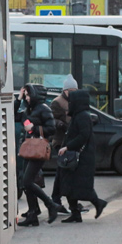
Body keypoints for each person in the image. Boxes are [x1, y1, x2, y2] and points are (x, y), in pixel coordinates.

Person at [54, 89, 108, 222]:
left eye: (71, 101)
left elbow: (83, 136)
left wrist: (68, 146)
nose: (69, 104)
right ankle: (76, 213)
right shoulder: (78, 115)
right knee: (69, 186)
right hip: (76, 157)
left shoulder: (82, 116)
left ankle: (97, 203)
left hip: (81, 158)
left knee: (80, 186)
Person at [15, 84, 66, 226]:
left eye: (28, 95)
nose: (27, 97)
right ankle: (33, 214)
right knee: (25, 183)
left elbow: (51, 128)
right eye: (26, 95)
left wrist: (34, 128)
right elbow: (14, 115)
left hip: (38, 149)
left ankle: (50, 205)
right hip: (28, 148)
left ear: (35, 95)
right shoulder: (28, 109)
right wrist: (18, 99)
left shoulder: (44, 109)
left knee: (27, 181)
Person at [48, 76, 84, 217]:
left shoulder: (75, 101)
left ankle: (56, 201)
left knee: (62, 172)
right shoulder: (57, 102)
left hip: (71, 142)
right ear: (66, 90)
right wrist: (60, 124)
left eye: (76, 90)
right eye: (71, 90)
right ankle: (62, 202)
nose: (74, 93)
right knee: (64, 171)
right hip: (61, 141)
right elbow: (52, 120)